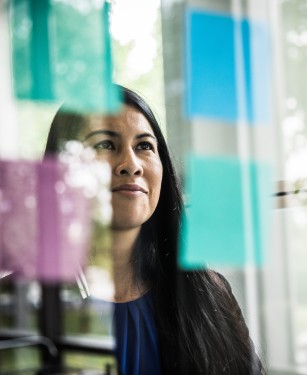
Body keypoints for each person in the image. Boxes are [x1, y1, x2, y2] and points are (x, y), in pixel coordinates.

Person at [45, 85, 265, 374]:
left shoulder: (210, 293)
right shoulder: (18, 304)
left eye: (144, 146)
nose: (131, 164)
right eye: (105, 145)